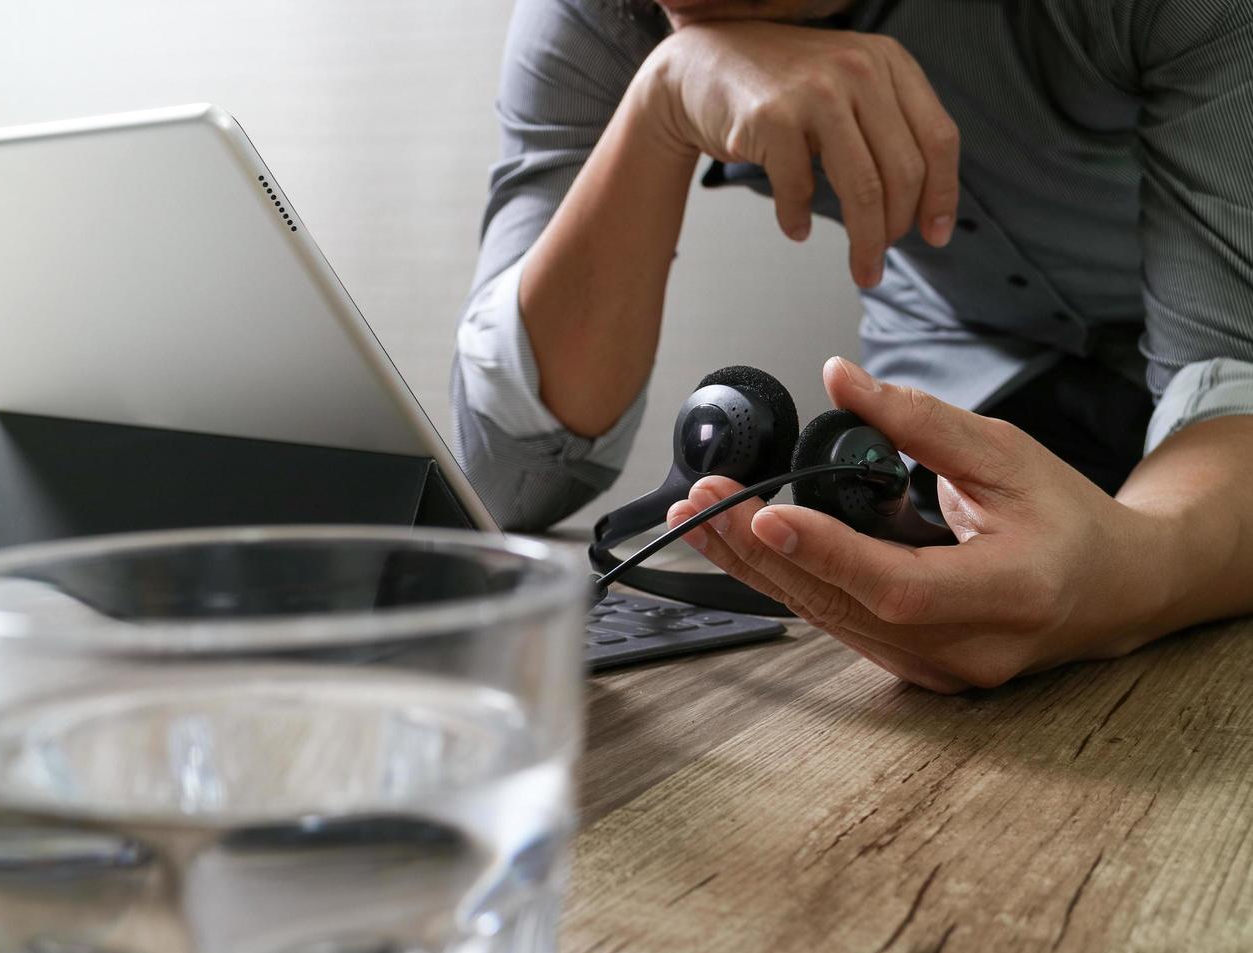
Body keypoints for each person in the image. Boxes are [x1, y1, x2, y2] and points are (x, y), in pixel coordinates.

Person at [448, 0, 1253, 692]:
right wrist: (660, 99)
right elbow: (516, 473)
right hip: (960, 400)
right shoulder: (601, 17)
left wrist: (1141, 573)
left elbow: (1233, 366)